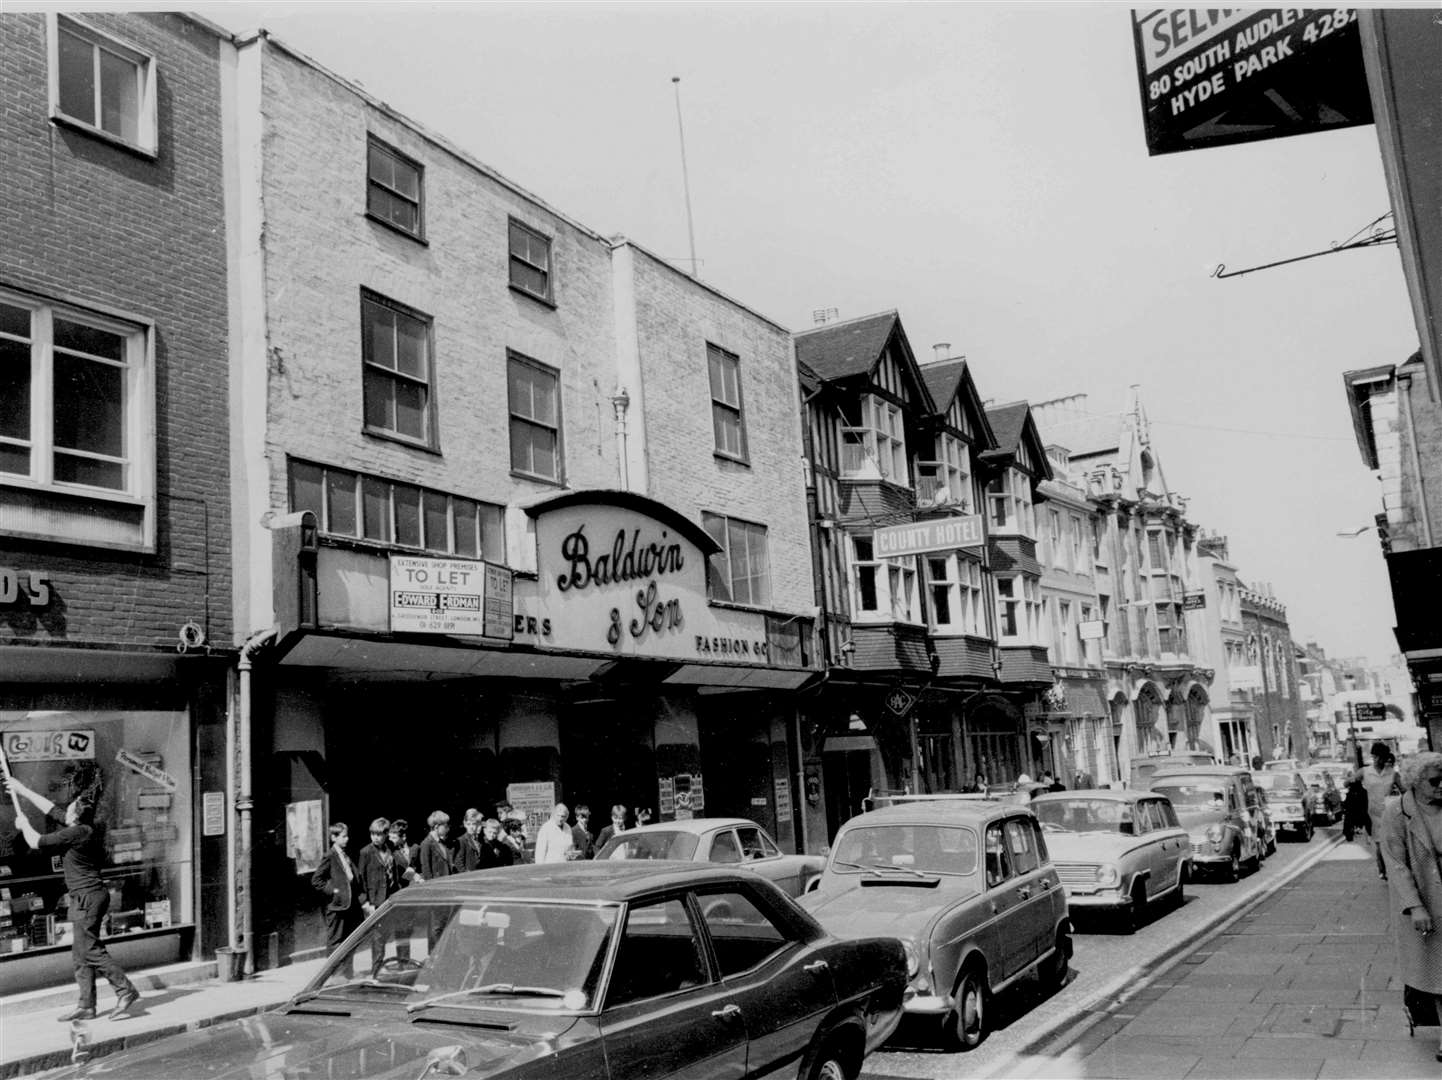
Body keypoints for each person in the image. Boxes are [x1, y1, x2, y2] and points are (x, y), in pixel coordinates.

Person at [10, 778, 140, 1022]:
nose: (65, 809)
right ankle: (86, 1005)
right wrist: (22, 790)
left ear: (76, 815)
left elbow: (35, 842)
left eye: (69, 807)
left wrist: (23, 824)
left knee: (90, 950)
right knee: (80, 955)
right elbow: (51, 808)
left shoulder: (75, 833)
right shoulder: (82, 828)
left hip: (87, 899)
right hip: (86, 898)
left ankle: (126, 990)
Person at [1379, 751, 1442, 1061]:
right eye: (1435, 780)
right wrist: (1415, 906)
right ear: (1416, 782)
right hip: (1428, 903)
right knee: (1439, 974)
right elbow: (1396, 864)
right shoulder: (1396, 812)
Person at [311, 822, 367, 954]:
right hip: (337, 906)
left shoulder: (346, 854)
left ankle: (348, 973)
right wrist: (335, 891)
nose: (346, 839)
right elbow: (316, 880)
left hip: (349, 905)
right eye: (343, 836)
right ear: (333, 838)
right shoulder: (330, 856)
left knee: (350, 939)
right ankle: (335, 973)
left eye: (347, 836)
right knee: (335, 940)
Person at [1358, 742, 1403, 880]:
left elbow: (1404, 789)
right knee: (1379, 843)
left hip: (1390, 812)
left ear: (1385, 757)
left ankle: (1392, 867)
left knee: (1391, 841)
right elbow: (1349, 781)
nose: (1377, 760)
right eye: (1375, 756)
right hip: (1373, 813)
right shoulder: (1365, 771)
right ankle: (1382, 870)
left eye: (1380, 757)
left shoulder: (1392, 774)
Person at [356, 817, 398, 914]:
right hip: (374, 900)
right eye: (372, 834)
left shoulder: (390, 848)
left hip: (391, 896)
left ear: (386, 834)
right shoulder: (365, 852)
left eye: (379, 834)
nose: (375, 837)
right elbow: (361, 879)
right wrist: (365, 903)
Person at [418, 811, 452, 881]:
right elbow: (426, 870)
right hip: (436, 885)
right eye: (445, 826)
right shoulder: (426, 844)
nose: (447, 829)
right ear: (436, 827)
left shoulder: (442, 842)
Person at [389, 819, 420, 885]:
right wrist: (413, 876)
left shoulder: (416, 848)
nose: (390, 840)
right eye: (390, 837)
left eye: (394, 838)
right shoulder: (393, 852)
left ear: (403, 837)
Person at [454, 808, 484, 873]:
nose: (471, 827)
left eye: (473, 824)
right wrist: (466, 875)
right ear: (464, 824)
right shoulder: (461, 840)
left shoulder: (480, 839)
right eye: (468, 824)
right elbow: (458, 863)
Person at [1343, 775, 1369, 842]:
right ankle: (1354, 831)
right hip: (1355, 812)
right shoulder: (1362, 792)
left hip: (1357, 812)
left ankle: (1359, 829)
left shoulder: (1359, 792)